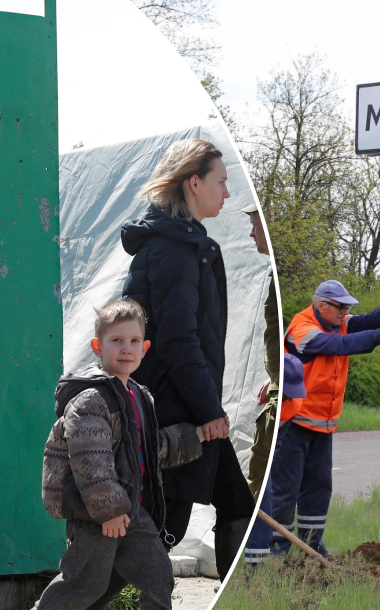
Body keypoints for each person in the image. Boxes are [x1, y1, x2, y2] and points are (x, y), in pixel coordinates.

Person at [0, 300, 203, 610]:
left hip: (128, 507)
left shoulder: (139, 395)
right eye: (116, 340)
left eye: (134, 340)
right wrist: (108, 510)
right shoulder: (90, 399)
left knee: (158, 574)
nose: (126, 348)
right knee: (84, 582)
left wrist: (194, 438)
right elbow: (91, 459)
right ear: (97, 347)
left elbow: (142, 450)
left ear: (145, 348)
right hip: (95, 510)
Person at [120, 138, 255, 577]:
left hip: (184, 406)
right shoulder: (174, 251)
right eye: (221, 182)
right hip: (174, 410)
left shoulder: (184, 244)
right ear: (194, 183)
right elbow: (179, 340)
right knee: (162, 528)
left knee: (232, 503)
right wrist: (208, 411)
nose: (227, 193)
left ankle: (233, 609)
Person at [261, 278, 380, 557]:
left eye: (346, 308)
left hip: (322, 425)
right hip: (293, 423)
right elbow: (338, 345)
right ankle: (277, 549)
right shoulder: (302, 329)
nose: (345, 314)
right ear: (321, 305)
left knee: (318, 487)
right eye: (340, 308)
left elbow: (363, 322)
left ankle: (312, 544)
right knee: (286, 489)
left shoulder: (335, 321)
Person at [243, 354, 307, 565]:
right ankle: (255, 562)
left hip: (277, 435)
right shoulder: (270, 412)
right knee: (262, 493)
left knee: (274, 491)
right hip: (261, 437)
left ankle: (269, 554)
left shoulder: (294, 404)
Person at [244, 201, 279, 497]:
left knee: (263, 474)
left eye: (255, 226)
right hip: (279, 386)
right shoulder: (273, 275)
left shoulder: (281, 277)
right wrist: (274, 375)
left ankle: (258, 542)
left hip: (286, 396)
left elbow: (301, 332)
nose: (251, 234)